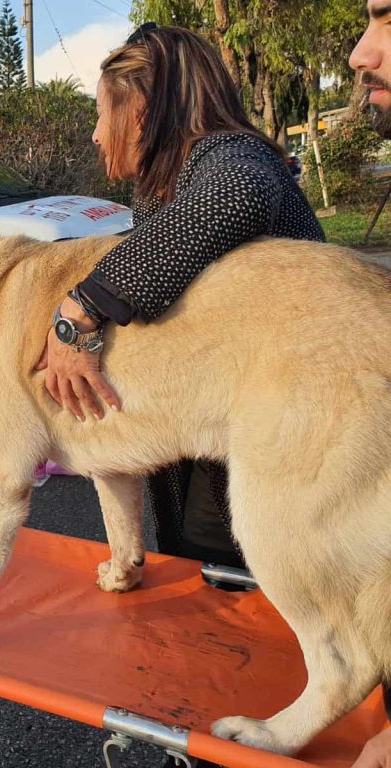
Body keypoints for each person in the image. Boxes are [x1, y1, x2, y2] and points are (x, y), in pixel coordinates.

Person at [39, 24, 325, 571]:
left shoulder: (229, 155)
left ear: (141, 108)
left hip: (282, 429)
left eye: (102, 114)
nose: (98, 135)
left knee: (236, 589)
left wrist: (82, 308)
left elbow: (236, 195)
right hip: (232, 426)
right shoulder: (167, 185)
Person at [348, 5, 391, 764]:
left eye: (388, 16)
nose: (359, 53)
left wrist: (78, 308)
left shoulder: (225, 165)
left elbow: (206, 223)